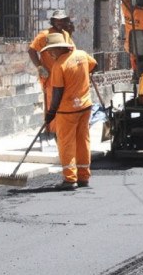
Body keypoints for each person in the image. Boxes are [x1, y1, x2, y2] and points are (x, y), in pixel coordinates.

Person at [42, 33, 98, 190]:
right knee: (83, 140)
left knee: (66, 143)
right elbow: (95, 65)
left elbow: (58, 92)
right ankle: (83, 176)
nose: (50, 53)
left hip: (67, 111)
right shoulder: (82, 55)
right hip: (85, 106)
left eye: (52, 50)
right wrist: (81, 79)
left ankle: (70, 179)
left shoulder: (59, 65)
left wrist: (51, 113)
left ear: (61, 48)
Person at [28, 10, 74, 138]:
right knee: (52, 105)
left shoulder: (65, 34)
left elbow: (72, 52)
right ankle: (52, 132)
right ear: (53, 21)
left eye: (62, 20)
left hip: (65, 76)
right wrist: (40, 67)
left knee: (62, 105)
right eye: (57, 20)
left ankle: (61, 131)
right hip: (50, 77)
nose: (59, 22)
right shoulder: (44, 35)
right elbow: (31, 50)